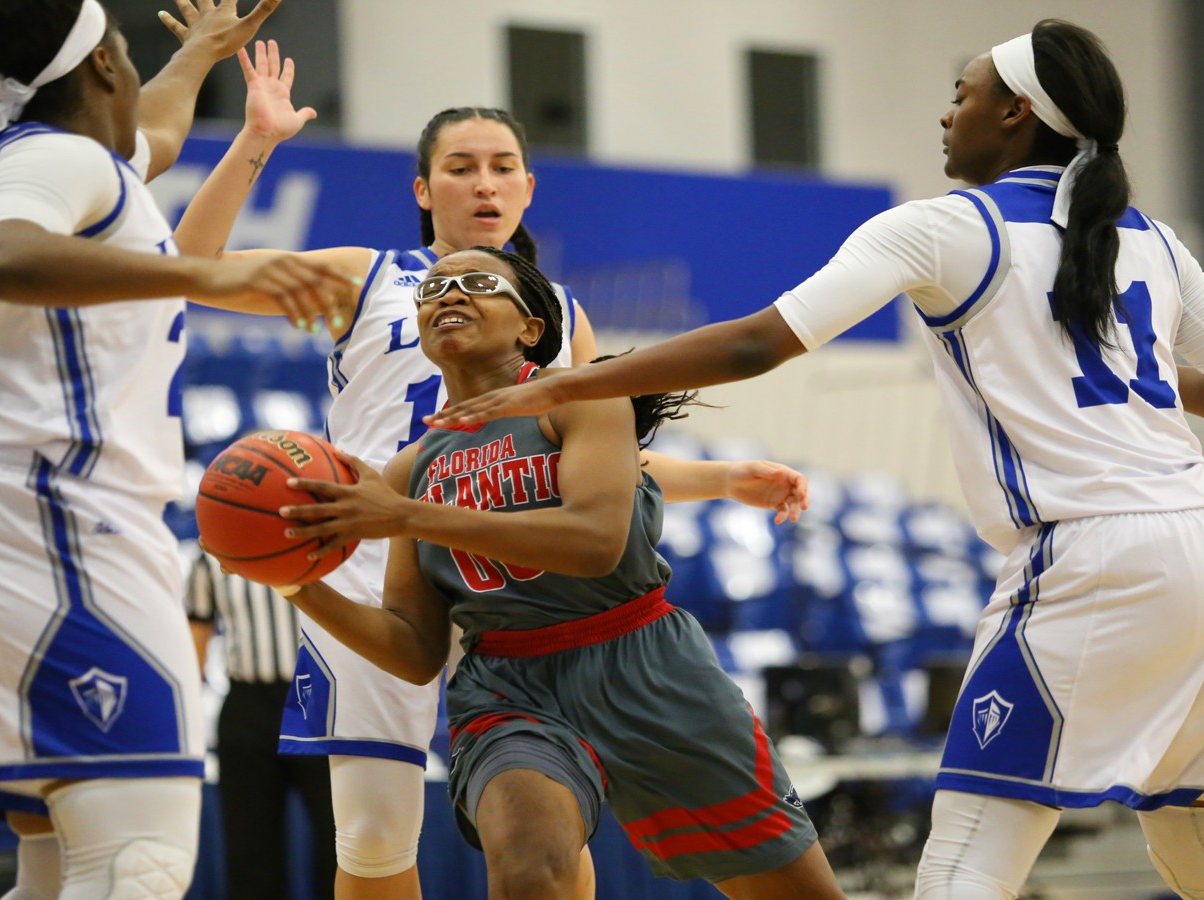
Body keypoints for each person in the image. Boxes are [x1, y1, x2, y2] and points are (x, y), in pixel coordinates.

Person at [429, 19, 1204, 900]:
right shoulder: (1151, 238)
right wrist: (1144, 383)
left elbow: (754, 346)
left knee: (960, 871)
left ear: (1015, 113)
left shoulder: (941, 228)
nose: (946, 115)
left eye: (961, 96)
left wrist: (563, 387)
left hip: (1101, 555)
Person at [170, 100, 812, 899]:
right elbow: (192, 260)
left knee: (553, 811)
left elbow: (591, 464)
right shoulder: (364, 276)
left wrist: (720, 478)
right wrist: (257, 140)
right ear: (422, 189)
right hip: (373, 556)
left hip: (515, 581)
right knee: (373, 835)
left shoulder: (558, 313)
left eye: (502, 166)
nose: (484, 183)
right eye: (460, 167)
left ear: (529, 188)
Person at [0, 1, 350, 898]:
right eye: (126, 56)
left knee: (58, 866)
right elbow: (2, 257)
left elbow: (158, 133)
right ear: (106, 64)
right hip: (55, 526)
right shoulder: (52, 160)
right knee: (136, 865)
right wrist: (207, 270)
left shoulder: (79, 163)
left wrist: (194, 55)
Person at [272, 245, 846, 899]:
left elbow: (594, 542)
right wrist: (294, 580)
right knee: (526, 870)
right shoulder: (410, 470)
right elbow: (414, 648)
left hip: (645, 663)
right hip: (509, 691)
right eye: (434, 289)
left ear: (531, 329)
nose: (449, 295)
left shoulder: (587, 401)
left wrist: (409, 519)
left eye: (478, 283)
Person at [188, 547, 338, 899]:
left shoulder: (329, 545)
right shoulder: (213, 554)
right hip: (248, 704)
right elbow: (197, 634)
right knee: (250, 853)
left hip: (321, 703)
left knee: (341, 846)